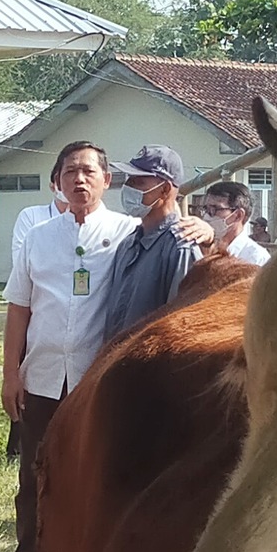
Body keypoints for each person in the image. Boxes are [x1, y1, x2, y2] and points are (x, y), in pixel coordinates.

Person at [0, 141, 133, 552]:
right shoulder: (38, 237)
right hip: (44, 376)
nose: (80, 179)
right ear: (57, 181)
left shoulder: (129, 234)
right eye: (70, 171)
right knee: (35, 477)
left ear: (107, 180)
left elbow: (173, 231)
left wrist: (201, 230)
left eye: (89, 171)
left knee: (96, 477)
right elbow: (18, 309)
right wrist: (11, 373)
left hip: (98, 379)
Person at [72, 144, 202, 385]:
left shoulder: (181, 247)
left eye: (139, 182)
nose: (128, 188)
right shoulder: (129, 243)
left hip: (151, 379)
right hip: (116, 371)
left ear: (164, 189)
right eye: (129, 180)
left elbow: (181, 327)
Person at [197, 181, 270, 266]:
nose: (207, 216)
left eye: (215, 209)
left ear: (238, 215)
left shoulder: (257, 259)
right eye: (206, 209)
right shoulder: (197, 250)